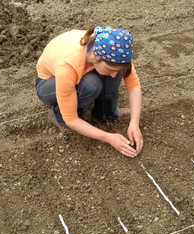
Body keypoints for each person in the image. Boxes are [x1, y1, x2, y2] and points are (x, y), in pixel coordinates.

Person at [35, 25, 143, 158]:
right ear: (96, 57)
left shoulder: (116, 50)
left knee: (116, 71)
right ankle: (58, 116)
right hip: (48, 83)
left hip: (79, 69)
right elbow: (72, 119)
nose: (114, 76)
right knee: (91, 84)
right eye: (109, 68)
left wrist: (134, 123)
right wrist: (108, 137)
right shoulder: (68, 64)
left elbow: (133, 85)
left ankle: (105, 113)